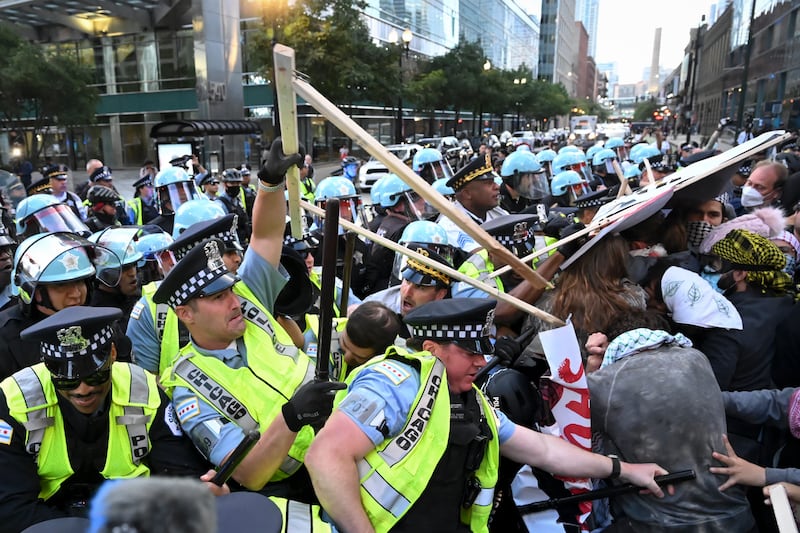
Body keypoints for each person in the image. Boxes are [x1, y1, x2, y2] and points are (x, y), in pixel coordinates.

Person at [304, 298, 669, 533]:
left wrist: (622, 469)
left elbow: (543, 450)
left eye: (484, 351)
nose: (481, 362)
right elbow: (325, 455)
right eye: (469, 352)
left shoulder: (469, 399)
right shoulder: (394, 382)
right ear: (431, 349)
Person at [153, 139, 345, 500]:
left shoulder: (247, 297)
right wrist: (292, 418)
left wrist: (270, 183)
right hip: (293, 487)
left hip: (342, 438)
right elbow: (250, 474)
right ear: (185, 313)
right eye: (217, 297)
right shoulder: (187, 390)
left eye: (230, 290)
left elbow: (267, 234)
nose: (234, 302)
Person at [0, 306, 220, 532]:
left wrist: (200, 489)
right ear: (47, 366)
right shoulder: (15, 402)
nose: (83, 389)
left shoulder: (144, 391)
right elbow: (11, 510)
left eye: (95, 375)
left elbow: (181, 475)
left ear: (113, 354)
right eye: (67, 380)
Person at [587, 310, 754, 532]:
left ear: (612, 344)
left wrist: (591, 367)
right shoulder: (697, 358)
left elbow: (575, 433)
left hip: (656, 523)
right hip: (735, 517)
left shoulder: (604, 381)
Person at [0, 232, 121, 381]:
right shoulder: (4, 336)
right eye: (62, 285)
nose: (76, 294)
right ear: (33, 290)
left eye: (80, 281)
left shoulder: (103, 322)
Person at [437, 153, 510, 253]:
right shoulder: (450, 225)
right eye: (489, 183)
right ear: (467, 193)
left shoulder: (496, 212)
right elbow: (479, 254)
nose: (497, 186)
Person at [217, 168, 252, 247]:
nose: (235, 186)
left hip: (244, 242)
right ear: (225, 184)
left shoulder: (238, 201)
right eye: (232, 183)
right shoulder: (220, 204)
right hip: (232, 245)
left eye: (238, 183)